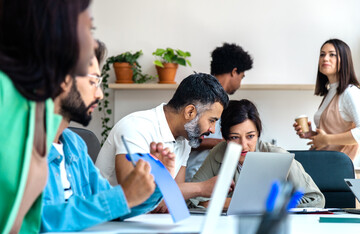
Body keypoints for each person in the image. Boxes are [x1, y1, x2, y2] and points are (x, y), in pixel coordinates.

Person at [41, 41, 175, 232]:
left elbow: (113, 207)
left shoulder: (74, 145)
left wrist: (154, 182)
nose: (100, 94)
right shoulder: (22, 147)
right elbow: (34, 222)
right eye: (94, 81)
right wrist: (122, 197)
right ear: (63, 80)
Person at [0, 0, 95, 234]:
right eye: (89, 30)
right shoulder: (4, 94)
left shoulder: (38, 108)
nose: (93, 43)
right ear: (58, 30)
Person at [96, 73, 229, 212]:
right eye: (211, 120)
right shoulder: (135, 127)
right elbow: (133, 196)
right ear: (190, 112)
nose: (212, 130)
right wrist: (201, 188)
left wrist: (164, 198)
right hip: (109, 221)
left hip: (145, 221)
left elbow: (173, 201)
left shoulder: (184, 140)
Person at [190, 100, 325, 208]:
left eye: (250, 136)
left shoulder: (278, 156)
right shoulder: (219, 152)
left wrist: (273, 204)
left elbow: (316, 199)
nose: (243, 145)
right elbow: (190, 199)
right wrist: (234, 204)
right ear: (225, 138)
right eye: (235, 137)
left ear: (258, 134)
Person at [185, 43, 253, 181]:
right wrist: (226, 142)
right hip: (196, 176)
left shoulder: (222, 101)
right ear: (234, 72)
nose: (240, 82)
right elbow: (185, 139)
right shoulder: (200, 95)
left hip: (214, 179)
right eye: (242, 76)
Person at [293, 39, 360, 161]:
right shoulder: (331, 91)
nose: (325, 58)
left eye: (332, 54)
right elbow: (332, 134)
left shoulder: (350, 92)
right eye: (322, 54)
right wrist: (312, 135)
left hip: (339, 167)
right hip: (324, 163)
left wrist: (326, 139)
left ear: (344, 60)